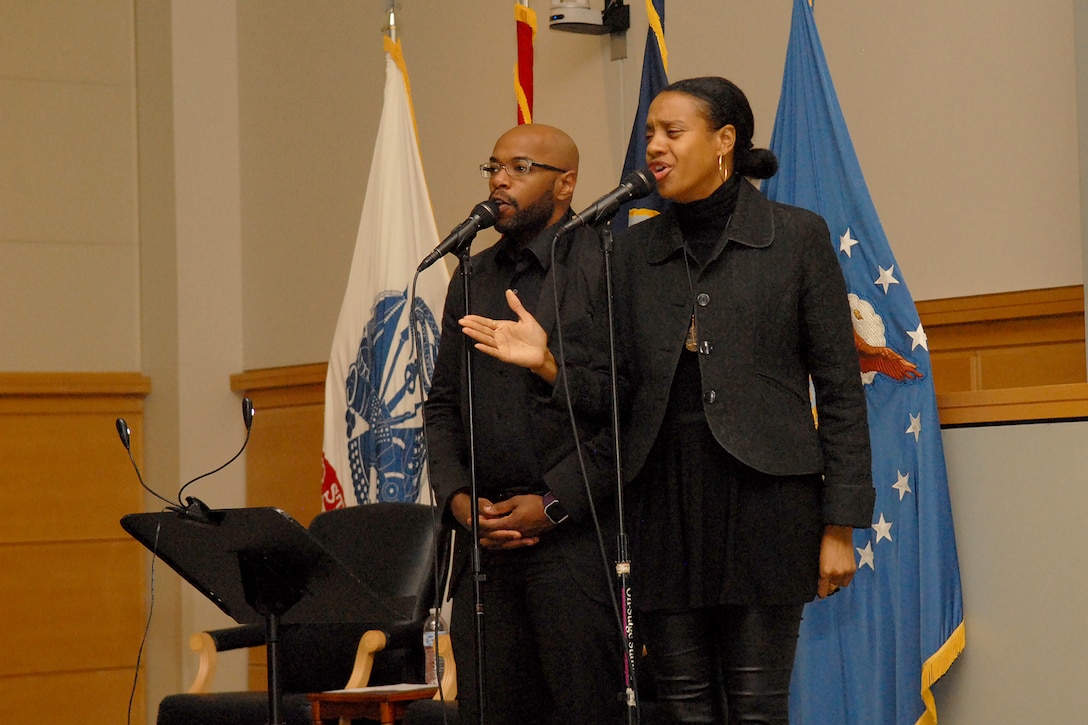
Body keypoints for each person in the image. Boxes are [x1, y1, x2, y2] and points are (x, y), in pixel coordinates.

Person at [466, 79, 876, 724]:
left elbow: (842, 391)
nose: (653, 147)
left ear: (724, 142)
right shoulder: (627, 249)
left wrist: (839, 526)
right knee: (683, 708)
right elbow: (615, 395)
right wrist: (545, 361)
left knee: (757, 707)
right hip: (660, 503)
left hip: (767, 505)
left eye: (672, 132)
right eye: (651, 132)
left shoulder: (795, 237)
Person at [423, 123, 624, 724]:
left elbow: (626, 410)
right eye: (493, 167)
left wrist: (556, 503)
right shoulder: (472, 275)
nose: (500, 181)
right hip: (486, 546)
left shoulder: (607, 264)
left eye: (519, 167)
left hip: (576, 541)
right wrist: (460, 500)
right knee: (492, 709)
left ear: (566, 183)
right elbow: (442, 406)